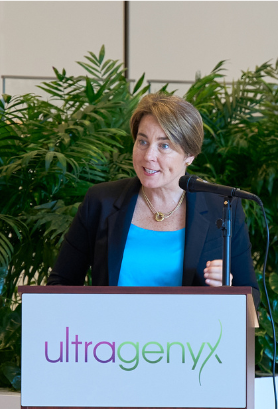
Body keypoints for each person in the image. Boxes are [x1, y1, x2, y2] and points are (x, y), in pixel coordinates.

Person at [47, 92, 259, 307]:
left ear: (190, 155)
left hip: (187, 340)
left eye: (164, 145)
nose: (148, 155)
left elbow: (252, 297)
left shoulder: (222, 207)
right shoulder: (101, 201)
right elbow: (59, 285)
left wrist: (229, 290)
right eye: (142, 141)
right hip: (110, 339)